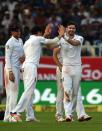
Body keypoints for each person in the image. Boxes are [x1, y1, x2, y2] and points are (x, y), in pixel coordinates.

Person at [10, 24, 64, 122]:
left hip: (26, 67)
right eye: (41, 33)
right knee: (29, 91)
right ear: (38, 33)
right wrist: (60, 35)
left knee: (29, 92)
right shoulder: (37, 39)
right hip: (31, 67)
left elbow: (41, 41)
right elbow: (52, 41)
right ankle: (15, 112)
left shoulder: (28, 41)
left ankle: (30, 116)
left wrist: (44, 34)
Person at [58, 21, 91, 121]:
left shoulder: (79, 38)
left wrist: (63, 36)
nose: (71, 29)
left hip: (77, 68)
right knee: (67, 92)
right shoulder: (61, 39)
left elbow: (74, 43)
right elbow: (52, 48)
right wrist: (47, 37)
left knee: (76, 93)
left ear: (75, 29)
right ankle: (68, 115)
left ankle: (77, 114)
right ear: (66, 29)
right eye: (69, 28)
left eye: (73, 28)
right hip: (66, 68)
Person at [53, 46, 92, 122]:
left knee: (77, 90)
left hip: (72, 68)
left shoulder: (72, 41)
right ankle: (59, 115)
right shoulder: (61, 40)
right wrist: (59, 65)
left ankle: (81, 114)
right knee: (62, 92)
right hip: (62, 68)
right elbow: (54, 52)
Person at [4, 23, 25, 122]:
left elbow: (21, 55)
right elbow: (7, 58)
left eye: (19, 30)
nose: (19, 32)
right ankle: (12, 115)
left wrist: (23, 57)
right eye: (17, 31)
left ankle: (7, 117)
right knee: (13, 93)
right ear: (12, 32)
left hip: (17, 68)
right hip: (11, 68)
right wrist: (10, 71)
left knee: (12, 93)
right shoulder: (9, 43)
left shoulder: (20, 40)